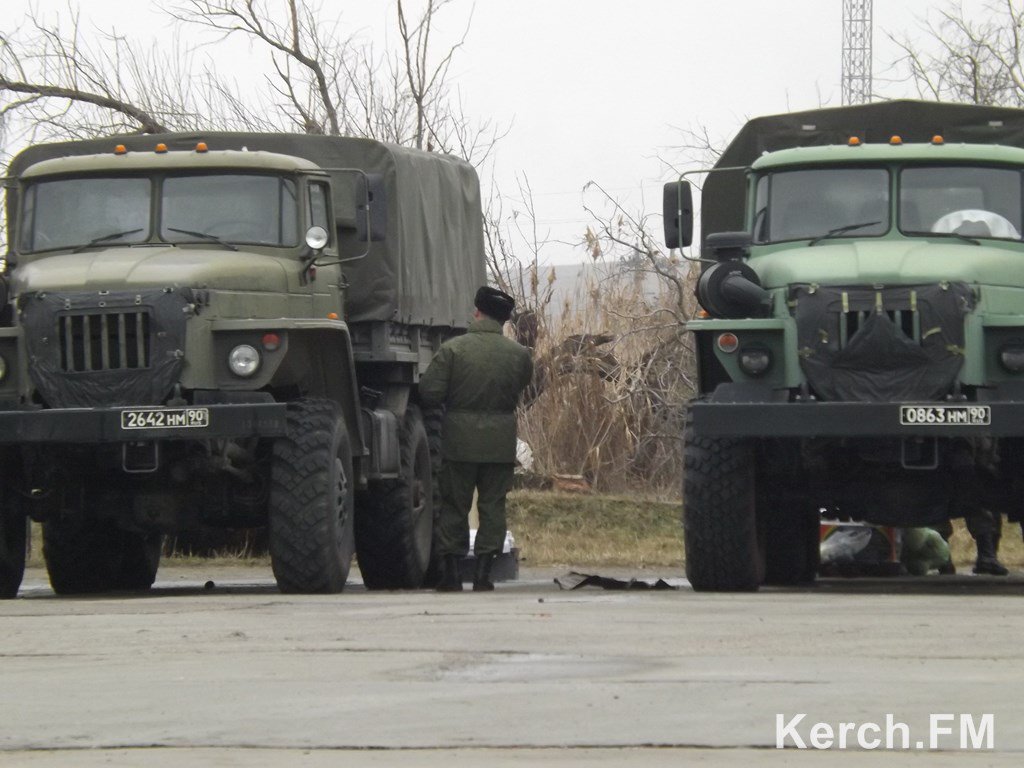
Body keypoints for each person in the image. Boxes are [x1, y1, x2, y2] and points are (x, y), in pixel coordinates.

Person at [419, 286, 534, 592]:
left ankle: (453, 576)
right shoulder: (518, 356)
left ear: (476, 313)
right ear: (504, 320)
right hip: (499, 444)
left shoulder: (453, 350)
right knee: (493, 506)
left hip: (458, 443)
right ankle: (484, 576)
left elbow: (430, 393)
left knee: (454, 506)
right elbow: (524, 386)